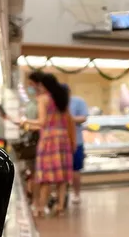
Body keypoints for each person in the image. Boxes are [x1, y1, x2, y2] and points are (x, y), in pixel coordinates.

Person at [25, 71, 76, 217]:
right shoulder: (62, 98)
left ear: (43, 85)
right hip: (63, 138)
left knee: (45, 176)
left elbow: (42, 122)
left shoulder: (44, 99)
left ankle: (40, 208)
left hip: (49, 139)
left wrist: (25, 122)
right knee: (62, 177)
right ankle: (60, 207)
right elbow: (68, 120)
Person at [69, 94, 89, 204]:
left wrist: (68, 119)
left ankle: (76, 194)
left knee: (76, 170)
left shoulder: (78, 102)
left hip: (77, 142)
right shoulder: (55, 103)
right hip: (61, 144)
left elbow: (84, 118)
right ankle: (63, 195)